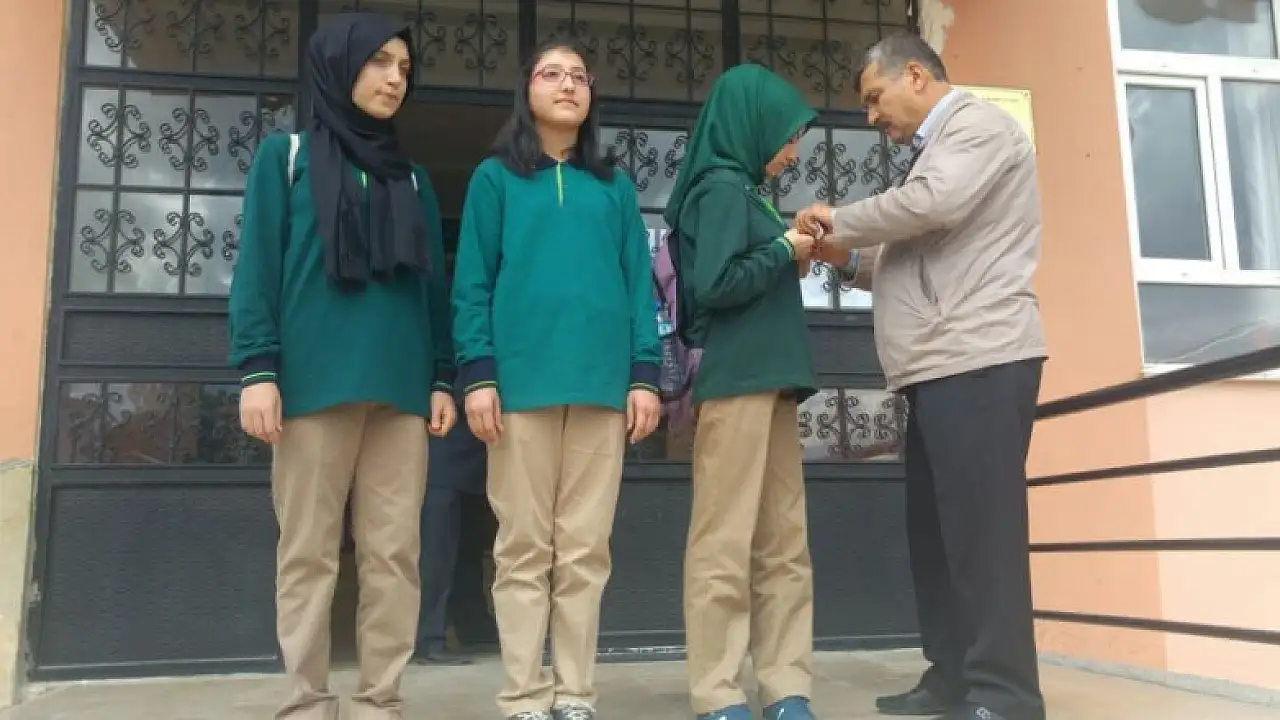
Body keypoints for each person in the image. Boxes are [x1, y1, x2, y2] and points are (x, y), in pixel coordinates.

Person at [797, 33, 1048, 720]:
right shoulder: (934, 151)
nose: (871, 115)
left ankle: (1006, 696)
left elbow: (932, 205)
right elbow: (914, 251)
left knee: (982, 540)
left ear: (915, 74)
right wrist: (846, 259)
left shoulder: (976, 126)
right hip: (939, 366)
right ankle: (953, 678)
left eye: (874, 97)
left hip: (981, 358)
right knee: (937, 537)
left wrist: (839, 219)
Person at [228, 13, 456, 720]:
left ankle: (379, 701)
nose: (395, 78)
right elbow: (257, 268)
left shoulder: (412, 178)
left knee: (394, 555)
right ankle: (307, 701)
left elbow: (431, 291)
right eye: (379, 61)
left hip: (400, 394)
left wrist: (442, 376)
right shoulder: (286, 158)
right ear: (338, 65)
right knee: (308, 554)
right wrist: (257, 369)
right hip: (311, 388)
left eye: (404, 68)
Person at [451, 38, 663, 720]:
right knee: (521, 548)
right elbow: (472, 282)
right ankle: (523, 694)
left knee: (584, 550)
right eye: (552, 74)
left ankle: (574, 692)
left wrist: (645, 375)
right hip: (519, 390)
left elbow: (639, 286)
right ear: (528, 91)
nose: (568, 85)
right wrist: (478, 374)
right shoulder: (495, 179)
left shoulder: (614, 186)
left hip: (602, 390)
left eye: (579, 76)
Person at [662, 63, 821, 720]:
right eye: (788, 137)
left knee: (785, 544)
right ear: (752, 125)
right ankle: (718, 691)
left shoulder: (749, 191)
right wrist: (783, 249)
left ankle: (786, 687)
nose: (793, 152)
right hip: (737, 382)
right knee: (724, 541)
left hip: (772, 382)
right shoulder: (721, 188)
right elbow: (718, 284)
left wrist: (789, 250)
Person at [415, 381, 488, 666]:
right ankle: (428, 635)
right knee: (437, 534)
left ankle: (473, 623)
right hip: (442, 408)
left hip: (483, 410)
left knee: (472, 527)